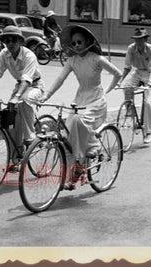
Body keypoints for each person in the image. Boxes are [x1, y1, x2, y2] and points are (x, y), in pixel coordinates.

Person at [39, 25, 122, 190]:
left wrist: (106, 91)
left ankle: (90, 152)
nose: (76, 45)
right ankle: (74, 174)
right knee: (67, 135)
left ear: (88, 42)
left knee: (78, 121)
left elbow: (118, 74)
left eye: (80, 42)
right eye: (74, 43)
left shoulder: (97, 59)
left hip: (96, 101)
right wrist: (46, 96)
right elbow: (60, 79)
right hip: (80, 99)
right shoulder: (72, 60)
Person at [0, 26, 45, 169]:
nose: (10, 44)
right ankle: (15, 159)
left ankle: (31, 136)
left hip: (35, 86)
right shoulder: (4, 54)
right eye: (7, 40)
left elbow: (27, 79)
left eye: (13, 40)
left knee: (24, 101)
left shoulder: (29, 56)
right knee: (10, 122)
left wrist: (17, 96)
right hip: (19, 86)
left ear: (19, 41)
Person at [119, 27, 151, 144]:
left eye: (141, 39)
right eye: (136, 39)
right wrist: (120, 81)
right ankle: (131, 114)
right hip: (137, 72)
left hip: (150, 73)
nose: (138, 42)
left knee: (148, 103)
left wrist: (150, 82)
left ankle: (148, 131)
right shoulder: (131, 48)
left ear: (145, 39)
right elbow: (127, 67)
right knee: (127, 87)